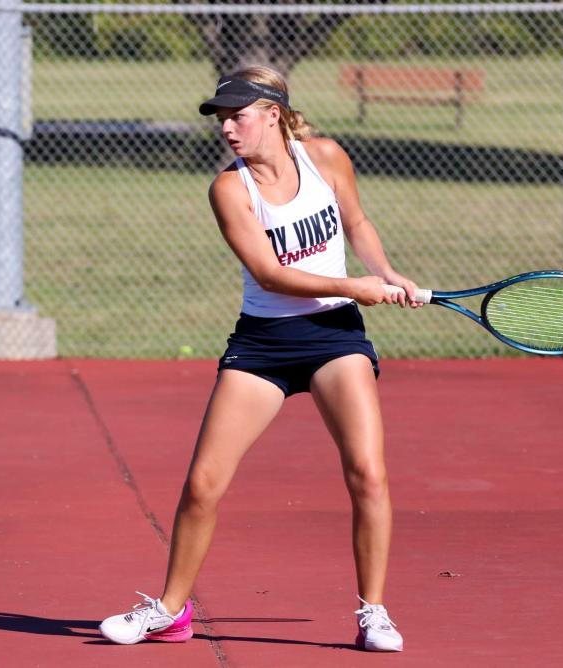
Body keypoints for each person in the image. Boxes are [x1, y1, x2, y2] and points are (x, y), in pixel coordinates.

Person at [99, 65, 421, 653]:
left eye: (238, 115)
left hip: (334, 339)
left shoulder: (325, 156)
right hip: (264, 344)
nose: (227, 128)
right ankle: (170, 611)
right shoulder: (229, 188)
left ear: (273, 113)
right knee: (203, 484)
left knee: (368, 474)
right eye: (222, 118)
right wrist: (357, 286)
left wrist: (384, 272)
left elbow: (356, 221)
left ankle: (373, 612)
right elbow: (270, 273)